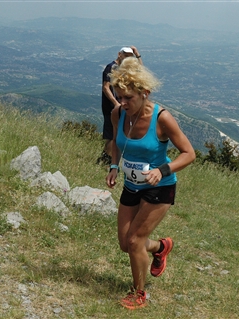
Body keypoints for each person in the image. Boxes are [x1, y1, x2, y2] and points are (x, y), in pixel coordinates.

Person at [105, 57, 196, 309]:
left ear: (144, 93)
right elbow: (116, 143)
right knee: (126, 244)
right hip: (132, 185)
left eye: (128, 98)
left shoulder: (162, 119)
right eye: (119, 96)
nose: (122, 103)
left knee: (135, 241)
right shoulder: (118, 114)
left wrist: (162, 169)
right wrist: (114, 166)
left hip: (160, 186)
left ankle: (139, 294)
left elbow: (189, 153)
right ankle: (160, 247)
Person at [97, 46, 142, 165]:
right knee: (111, 135)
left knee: (117, 134)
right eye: (125, 55)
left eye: (129, 56)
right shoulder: (111, 67)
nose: (127, 58)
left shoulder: (125, 69)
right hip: (111, 107)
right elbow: (106, 88)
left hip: (121, 107)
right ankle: (105, 160)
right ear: (119, 54)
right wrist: (116, 103)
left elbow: (141, 71)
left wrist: (137, 55)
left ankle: (105, 159)